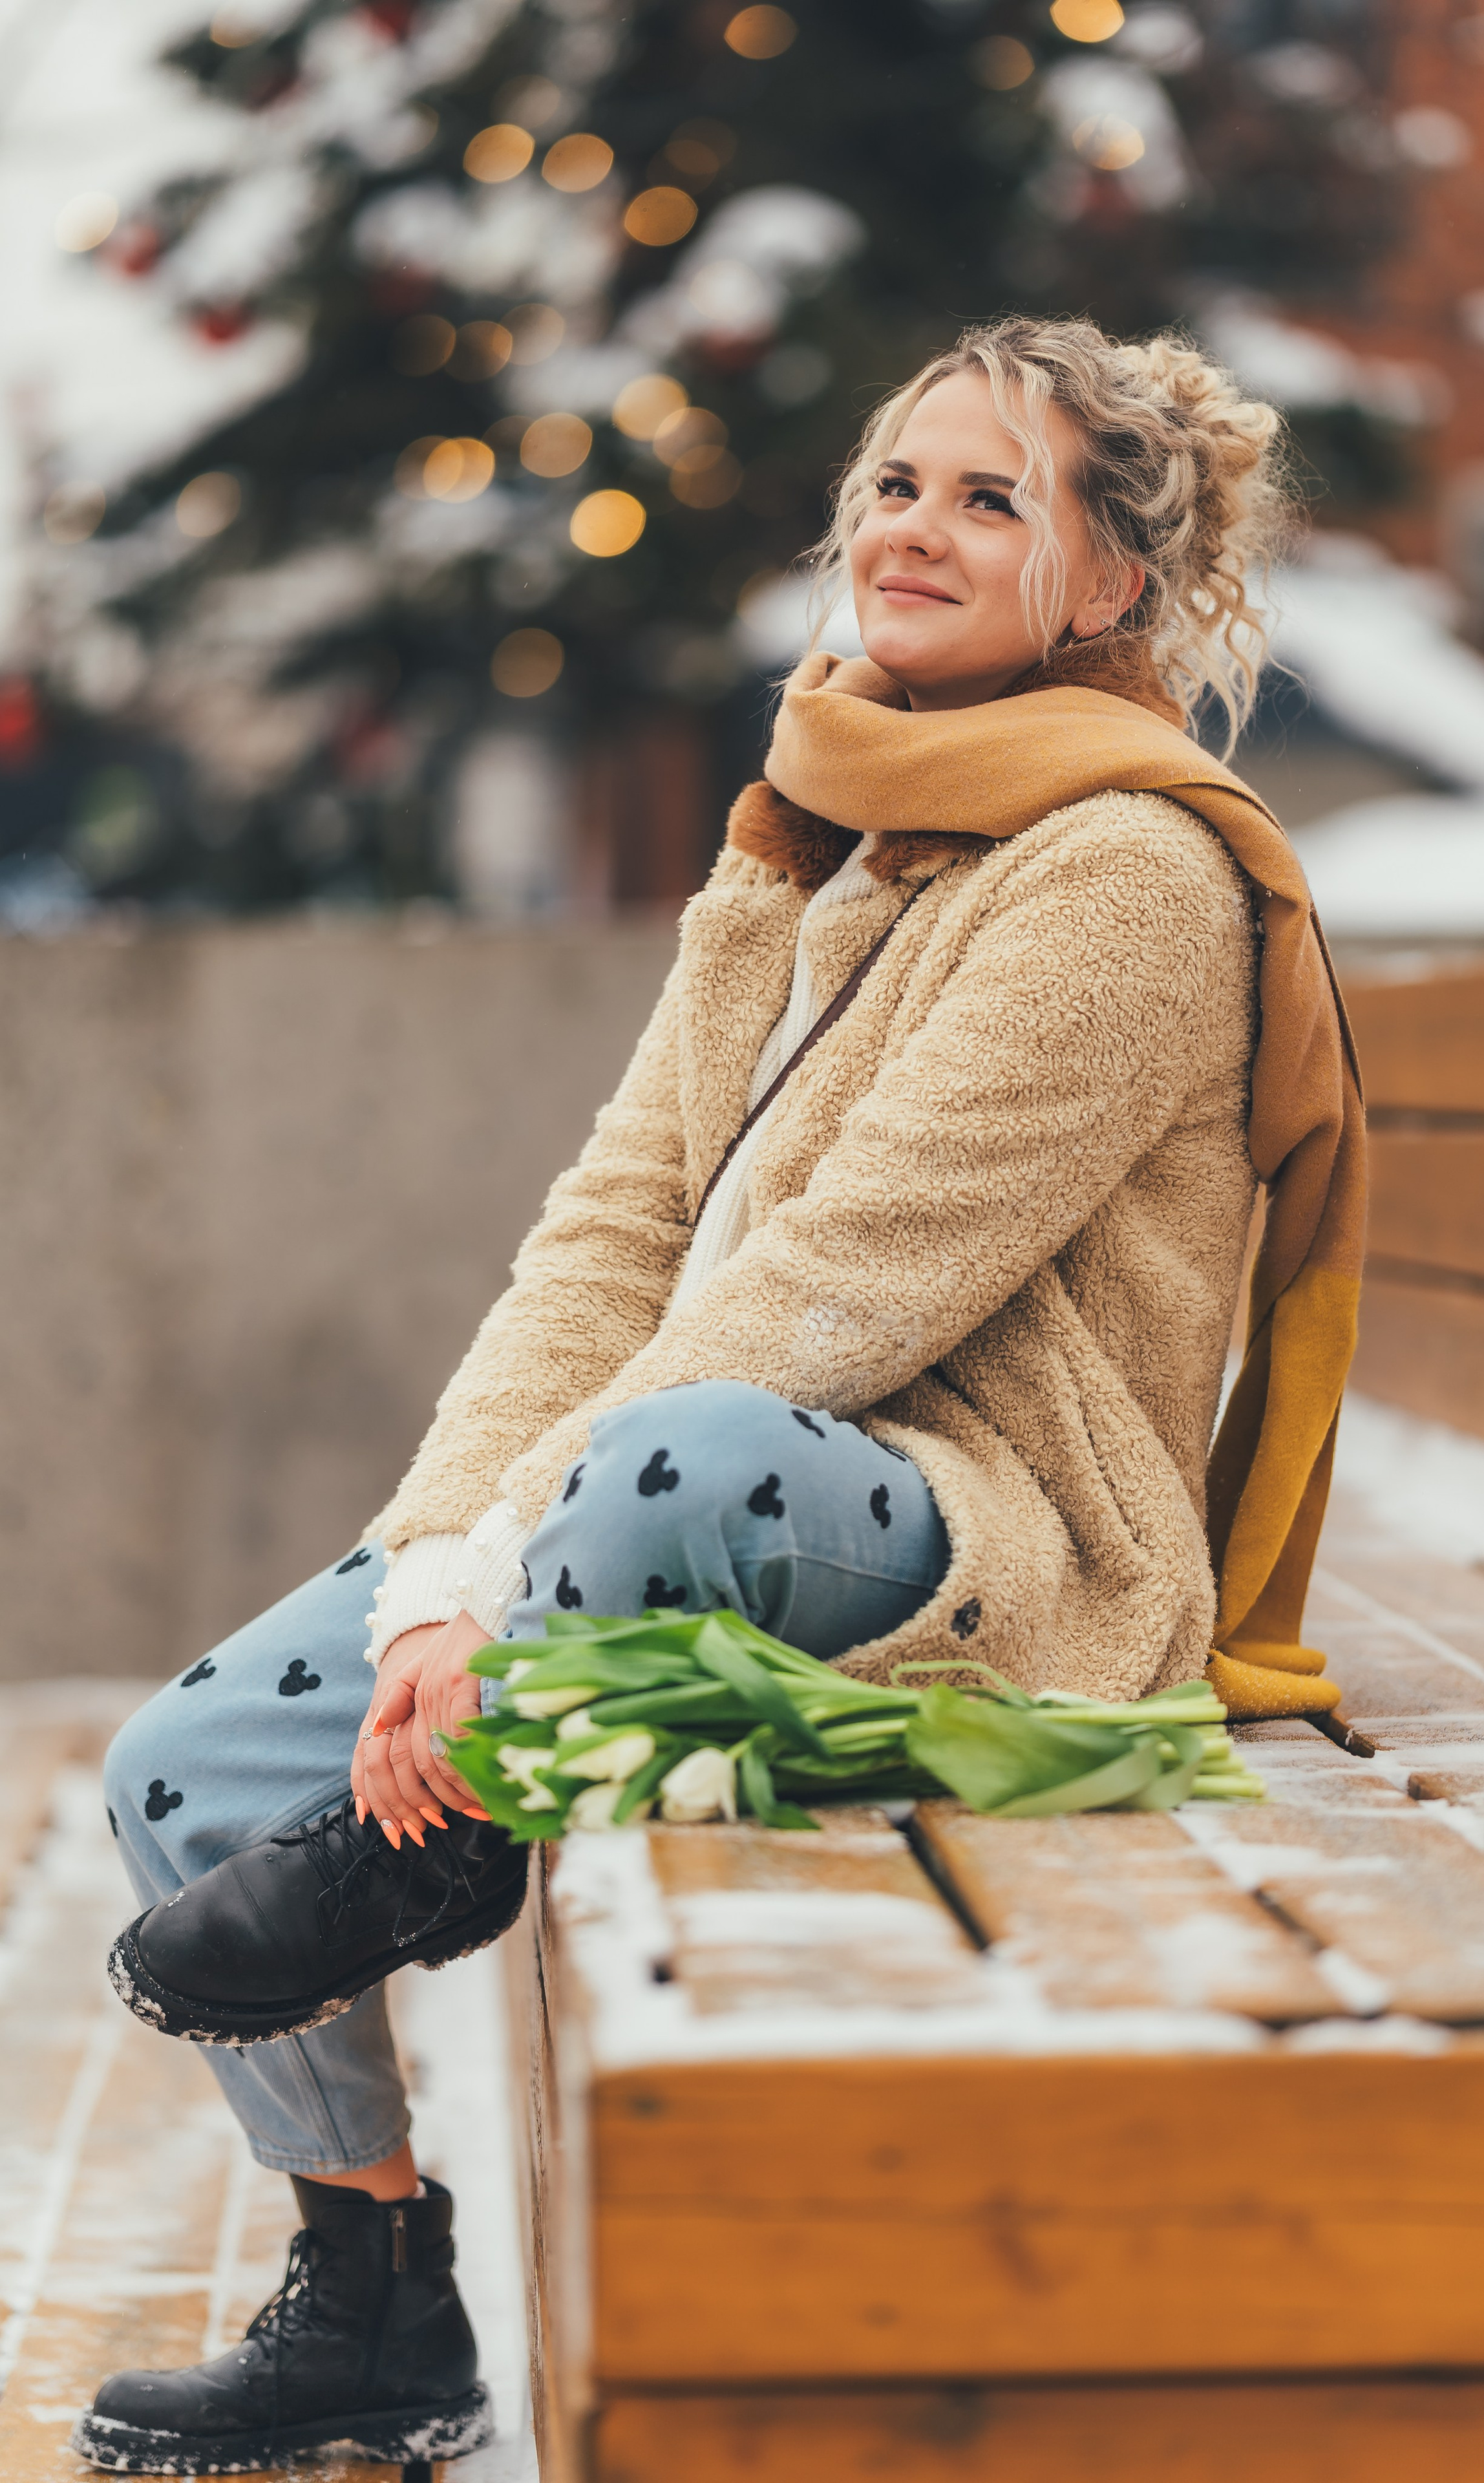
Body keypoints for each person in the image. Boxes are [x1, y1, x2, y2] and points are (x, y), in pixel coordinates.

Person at [80, 314, 1363, 2474]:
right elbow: (609, 1237)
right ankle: (375, 2295)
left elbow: (836, 1293)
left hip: (992, 1525)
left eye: (991, 498)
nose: (916, 529)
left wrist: (498, 1583)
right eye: (895, 480)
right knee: (184, 1766)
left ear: (1113, 586)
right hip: (666, 1478)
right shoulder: (811, 840)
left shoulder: (1128, 873)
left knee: (696, 1458)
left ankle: (436, 1830)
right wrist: (432, 1578)